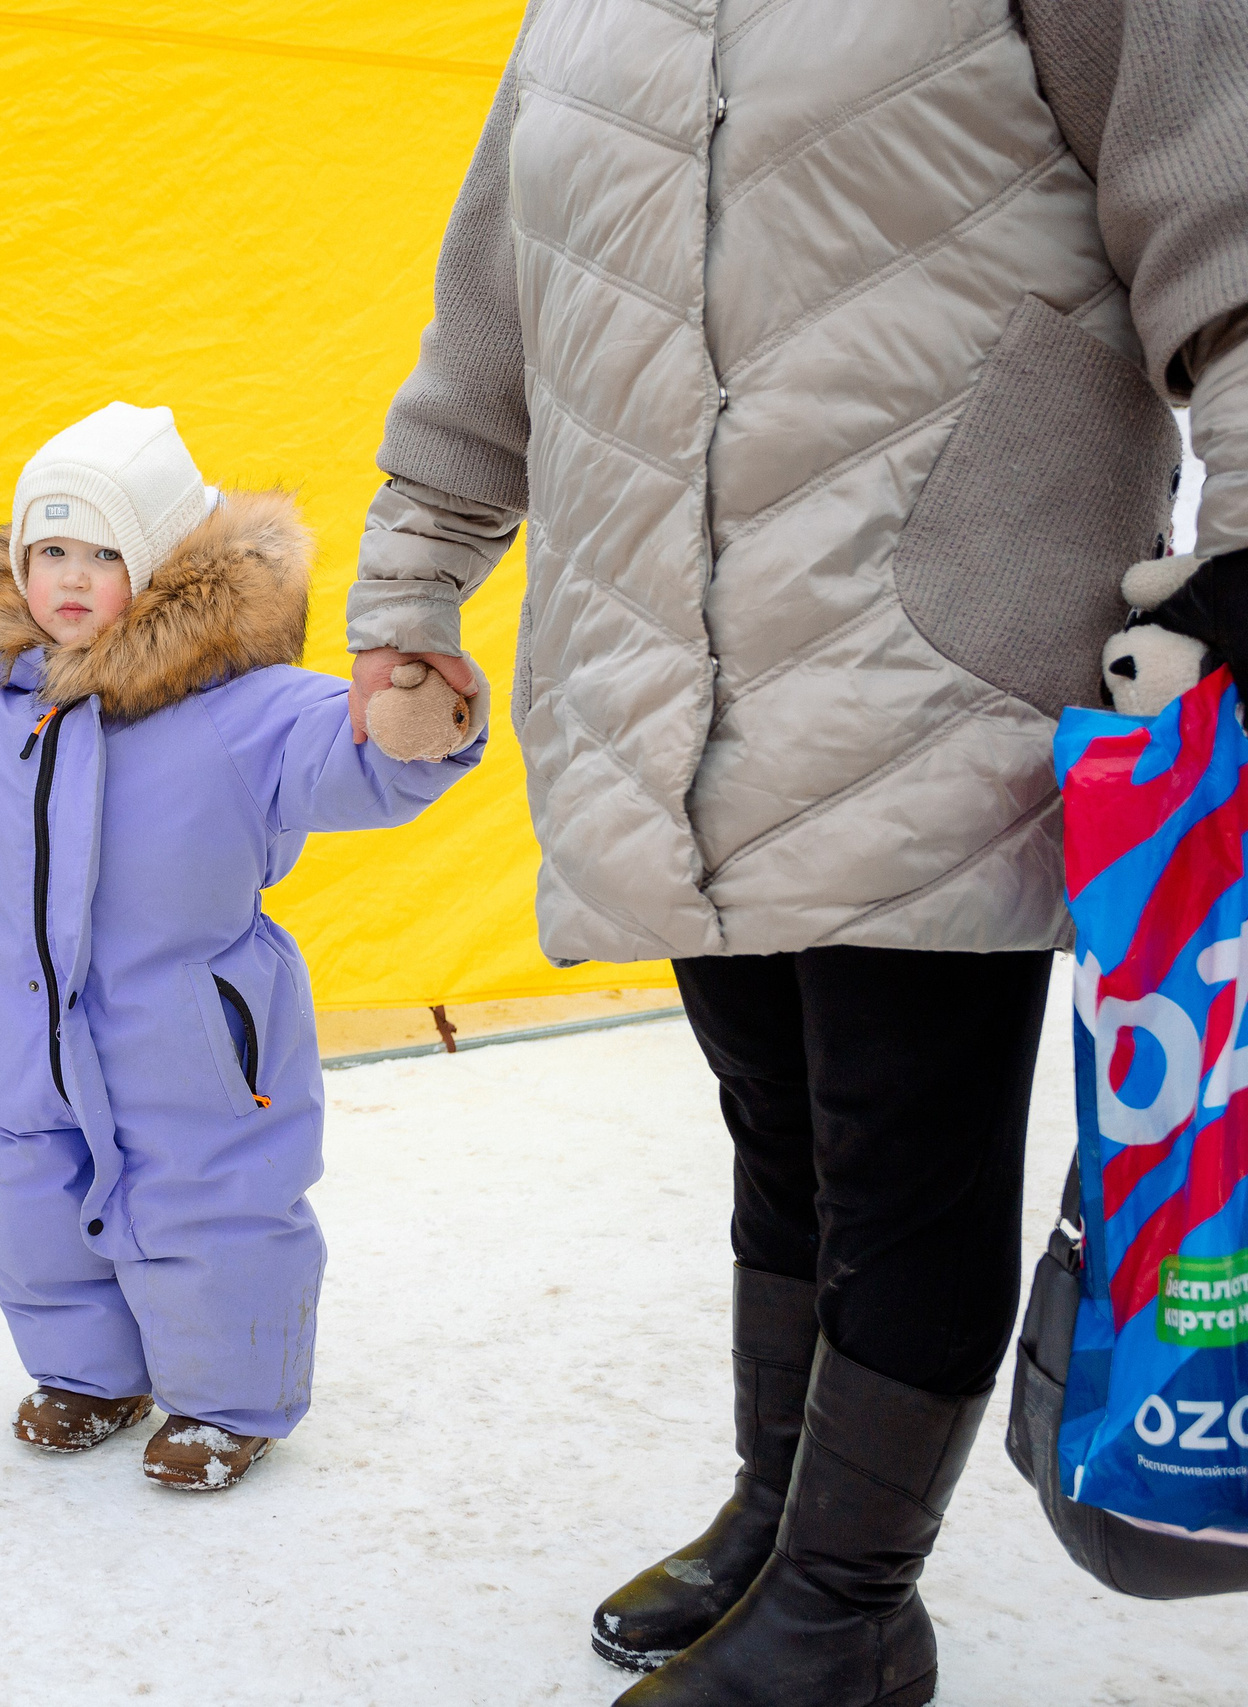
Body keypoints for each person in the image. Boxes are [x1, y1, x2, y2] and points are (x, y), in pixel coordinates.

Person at [347, 4, 1248, 1702]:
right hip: (656, 676)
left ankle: (845, 1606)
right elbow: (494, 319)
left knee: (904, 1151)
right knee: (783, 1128)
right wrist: (413, 576)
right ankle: (786, 1520)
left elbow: (1228, 208)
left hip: (944, 646)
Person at [0, 403, 483, 1487]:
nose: (70, 579)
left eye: (104, 555)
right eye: (50, 551)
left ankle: (226, 1403)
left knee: (209, 1213)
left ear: (163, 566)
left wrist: (418, 730)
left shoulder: (241, 709)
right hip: (27, 1031)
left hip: (190, 1037)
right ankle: (89, 1376)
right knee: (29, 1205)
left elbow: (342, 750)